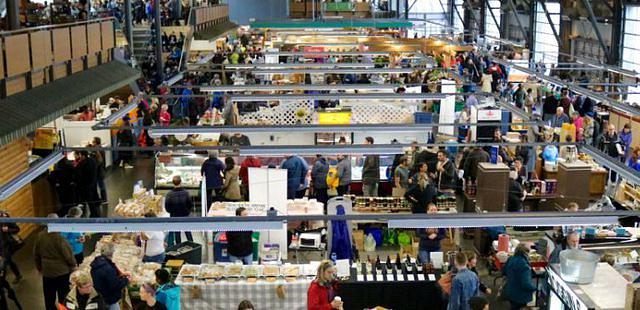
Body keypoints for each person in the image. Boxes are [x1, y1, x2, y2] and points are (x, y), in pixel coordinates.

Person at [34, 214, 77, 310]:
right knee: (63, 296)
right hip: (62, 272)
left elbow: (36, 254)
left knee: (49, 297)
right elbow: (68, 256)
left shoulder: (40, 236)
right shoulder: (60, 239)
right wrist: (73, 266)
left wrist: (39, 268)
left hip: (47, 272)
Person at [91, 242, 131, 309]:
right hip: (109, 299)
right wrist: (126, 280)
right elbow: (115, 285)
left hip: (101, 294)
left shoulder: (98, 261)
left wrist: (120, 274)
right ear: (111, 253)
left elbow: (107, 279)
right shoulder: (108, 269)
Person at [502, 244, 538, 310]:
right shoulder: (525, 266)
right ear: (525, 253)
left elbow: (504, 271)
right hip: (520, 296)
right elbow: (526, 284)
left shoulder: (510, 259)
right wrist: (535, 288)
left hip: (510, 291)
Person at [164, 176, 193, 246]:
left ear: (173, 183)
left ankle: (178, 248)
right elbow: (190, 204)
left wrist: (172, 212)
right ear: (181, 182)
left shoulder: (169, 194)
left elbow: (167, 207)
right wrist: (187, 211)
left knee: (177, 233)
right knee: (188, 232)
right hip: (185, 216)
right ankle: (192, 245)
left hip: (174, 217)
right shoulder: (186, 193)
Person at [75, 150, 101, 217]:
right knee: (93, 198)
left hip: (86, 185)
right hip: (93, 182)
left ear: (83, 155)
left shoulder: (82, 164)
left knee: (89, 200)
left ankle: (93, 214)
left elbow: (79, 175)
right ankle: (95, 213)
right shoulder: (92, 161)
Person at [0, 211, 22, 283]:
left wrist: (8, 230)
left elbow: (17, 229)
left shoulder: (4, 217)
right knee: (9, 261)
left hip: (6, 245)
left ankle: (2, 282)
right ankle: (18, 275)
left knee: (4, 263)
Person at [90, 137, 108, 202]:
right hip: (100, 170)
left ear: (96, 142)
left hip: (99, 171)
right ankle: (103, 199)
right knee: (101, 185)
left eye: (93, 142)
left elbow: (99, 161)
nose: (92, 143)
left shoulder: (98, 150)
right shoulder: (100, 149)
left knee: (101, 185)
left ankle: (104, 199)